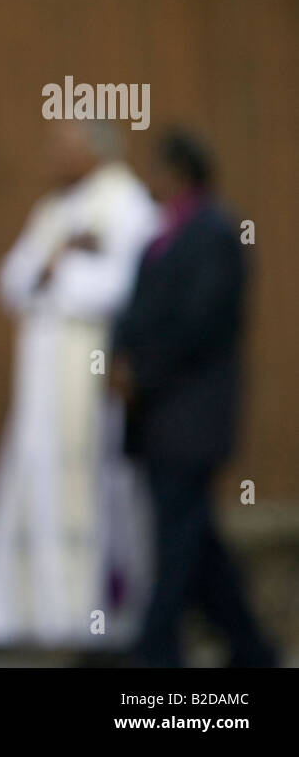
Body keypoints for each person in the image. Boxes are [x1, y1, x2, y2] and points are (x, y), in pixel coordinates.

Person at [0, 120, 158, 649]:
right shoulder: (54, 209)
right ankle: (31, 613)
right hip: (43, 377)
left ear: (96, 152)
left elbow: (128, 285)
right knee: (35, 475)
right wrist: (55, 265)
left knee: (89, 480)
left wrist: (58, 275)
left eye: (64, 148)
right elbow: (13, 280)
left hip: (91, 367)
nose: (52, 158)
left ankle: (90, 616)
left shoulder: (127, 204)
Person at [113, 131, 278, 667]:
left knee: (178, 545)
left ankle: (155, 653)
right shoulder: (162, 234)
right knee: (196, 539)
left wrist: (142, 373)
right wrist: (118, 359)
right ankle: (251, 649)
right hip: (158, 417)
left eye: (158, 169)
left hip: (192, 414)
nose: (150, 180)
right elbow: (134, 311)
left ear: (181, 172)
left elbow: (202, 324)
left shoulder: (214, 232)